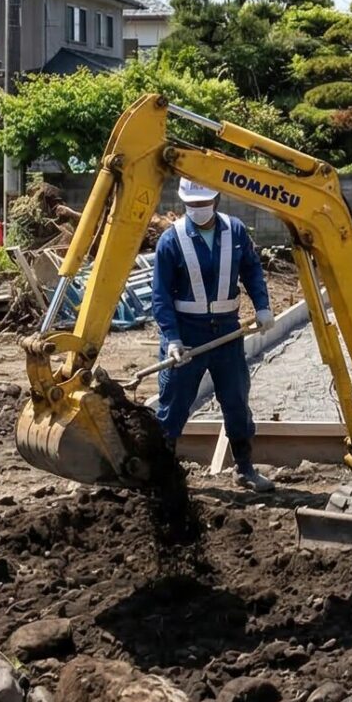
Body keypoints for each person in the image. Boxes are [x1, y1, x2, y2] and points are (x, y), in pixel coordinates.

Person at [151, 177, 277, 494]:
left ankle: (245, 469)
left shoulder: (234, 232)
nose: (197, 210)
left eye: (202, 204)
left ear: (216, 200)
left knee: (236, 401)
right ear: (184, 203)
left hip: (227, 333)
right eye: (192, 205)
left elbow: (252, 269)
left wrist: (262, 306)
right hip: (187, 336)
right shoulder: (171, 240)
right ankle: (161, 474)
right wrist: (172, 339)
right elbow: (161, 295)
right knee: (173, 407)